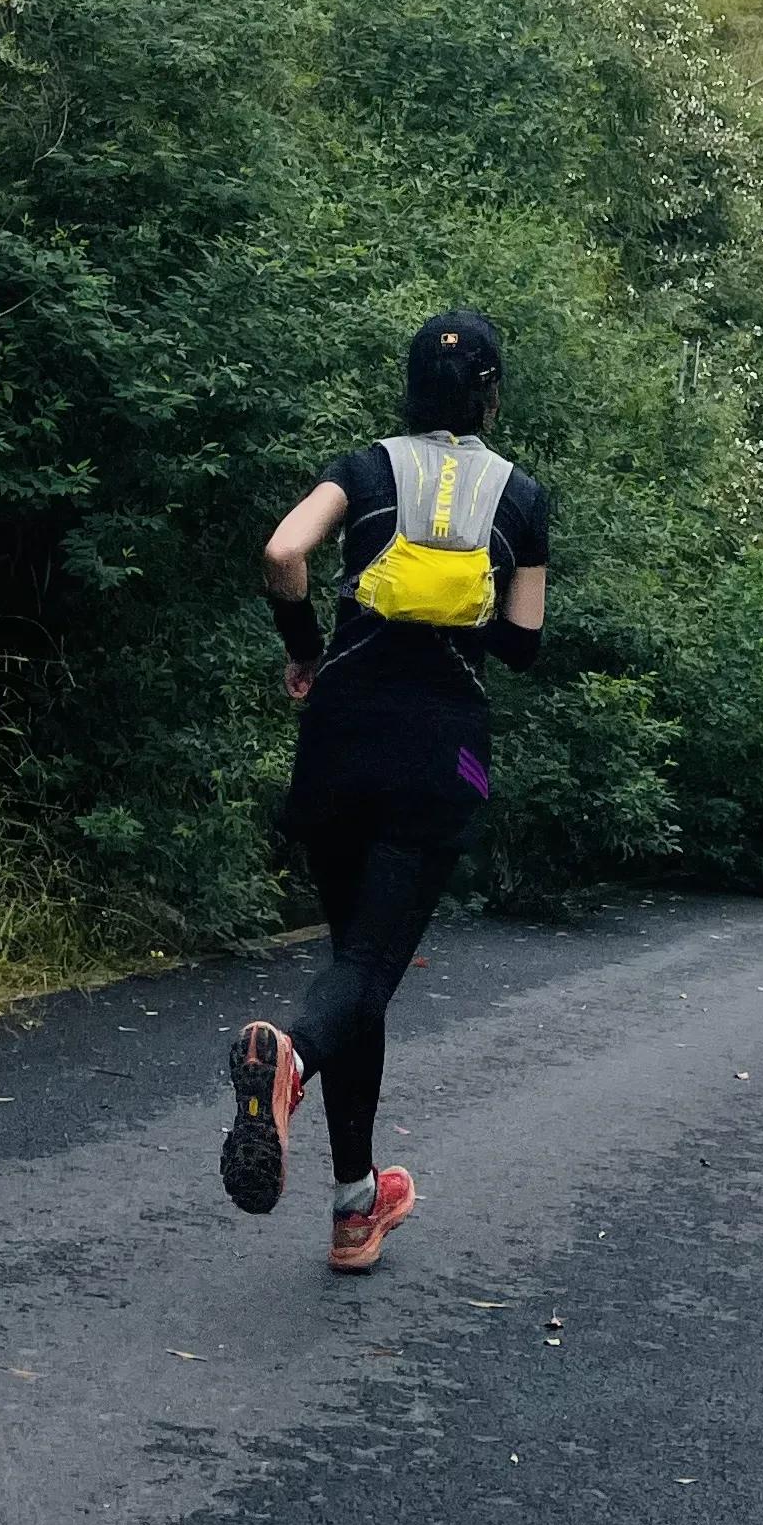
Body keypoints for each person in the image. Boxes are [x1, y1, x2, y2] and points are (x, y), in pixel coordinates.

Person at [221, 308, 549, 1269]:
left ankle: (357, 1205)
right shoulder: (519, 496)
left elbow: (285, 554)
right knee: (367, 970)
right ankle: (290, 1058)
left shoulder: (364, 468)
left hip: (339, 731)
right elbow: (524, 648)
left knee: (352, 966)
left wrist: (306, 651)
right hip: (441, 749)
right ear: (491, 394)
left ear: (408, 387)